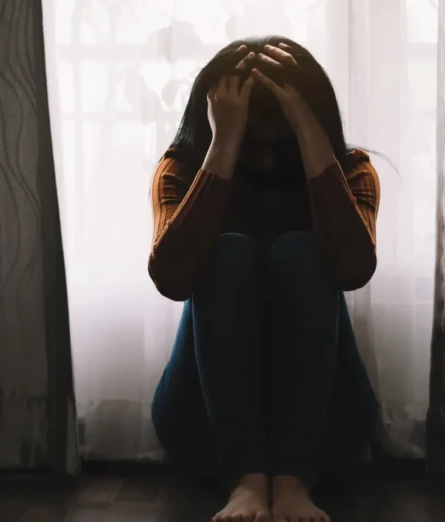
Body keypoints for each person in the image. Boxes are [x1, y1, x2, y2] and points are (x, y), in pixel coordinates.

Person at [148, 36, 380, 522]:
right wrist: (223, 147)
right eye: (256, 145)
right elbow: (171, 279)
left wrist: (309, 132)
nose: (271, 162)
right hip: (203, 429)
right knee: (228, 253)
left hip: (329, 430)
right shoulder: (183, 170)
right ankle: (244, 479)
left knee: (301, 250)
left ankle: (295, 478)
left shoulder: (352, 171)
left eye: (285, 142)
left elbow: (354, 270)